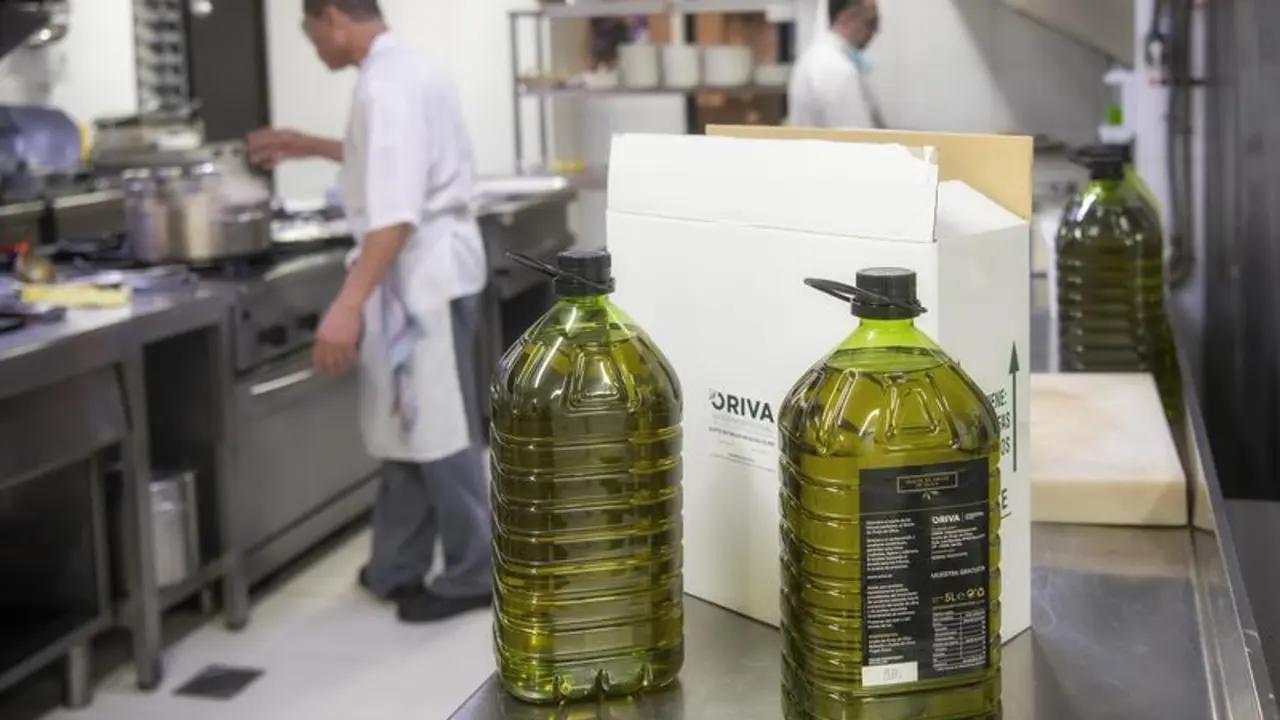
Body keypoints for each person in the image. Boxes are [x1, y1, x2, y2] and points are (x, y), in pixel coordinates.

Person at [246, 0, 491, 624]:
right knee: (407, 424)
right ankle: (396, 565)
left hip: (421, 278)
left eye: (311, 36)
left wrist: (345, 307)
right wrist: (306, 145)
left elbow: (396, 214)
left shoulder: (386, 86)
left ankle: (476, 572)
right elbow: (390, 162)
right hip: (420, 273)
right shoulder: (407, 68)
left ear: (332, 18)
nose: (314, 49)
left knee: (438, 431)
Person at [788, 0, 885, 129]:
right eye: (871, 22)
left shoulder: (813, 57)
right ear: (844, 19)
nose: (876, 30)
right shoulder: (836, 69)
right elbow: (855, 135)